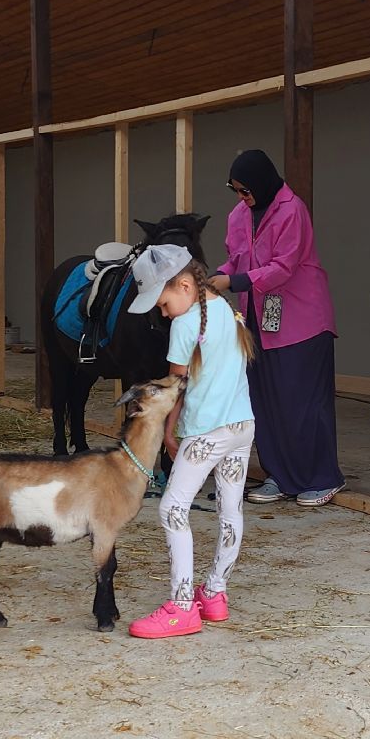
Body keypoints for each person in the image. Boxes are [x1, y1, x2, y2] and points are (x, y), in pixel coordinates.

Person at [124, 244, 256, 639]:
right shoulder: (228, 311)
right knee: (230, 510)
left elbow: (175, 387)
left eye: (163, 303)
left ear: (183, 284)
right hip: (241, 427)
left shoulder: (185, 325)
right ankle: (215, 594)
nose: (163, 313)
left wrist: (169, 430)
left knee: (171, 510)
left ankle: (182, 607)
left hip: (206, 433)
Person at [211, 149, 344, 506]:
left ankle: (322, 477)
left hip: (301, 318)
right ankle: (280, 475)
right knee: (266, 401)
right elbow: (235, 259)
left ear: (263, 182)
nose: (242, 197)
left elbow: (283, 267)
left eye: (246, 190)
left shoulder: (292, 210)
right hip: (258, 318)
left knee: (303, 401)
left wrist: (232, 282)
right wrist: (217, 276)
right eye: (235, 190)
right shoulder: (239, 214)